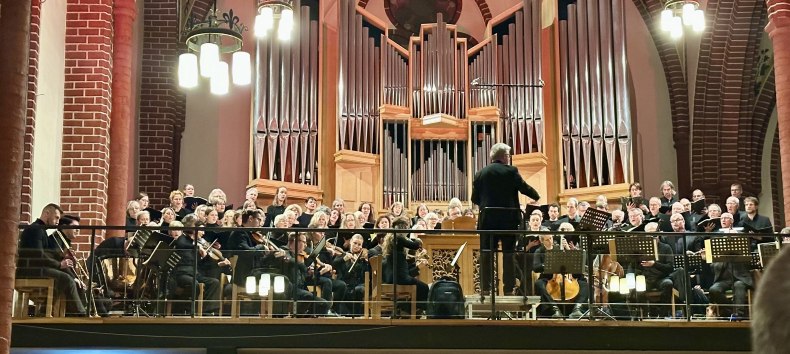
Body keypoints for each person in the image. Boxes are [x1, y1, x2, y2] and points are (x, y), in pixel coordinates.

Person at [471, 142, 540, 296]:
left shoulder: (480, 173)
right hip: (508, 220)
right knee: (508, 254)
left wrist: (487, 204)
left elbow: (474, 198)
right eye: (508, 155)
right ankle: (508, 289)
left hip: (487, 221)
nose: (509, 158)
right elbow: (524, 187)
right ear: (503, 156)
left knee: (486, 254)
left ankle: (486, 288)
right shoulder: (511, 171)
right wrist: (536, 196)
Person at [17, 204, 86, 316]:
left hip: (35, 268)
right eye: (56, 217)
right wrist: (59, 264)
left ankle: (44, 312)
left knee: (62, 279)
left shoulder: (42, 230)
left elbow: (46, 254)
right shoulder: (36, 229)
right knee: (66, 279)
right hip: (28, 270)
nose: (58, 221)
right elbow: (38, 255)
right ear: (47, 214)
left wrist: (61, 256)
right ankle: (81, 313)